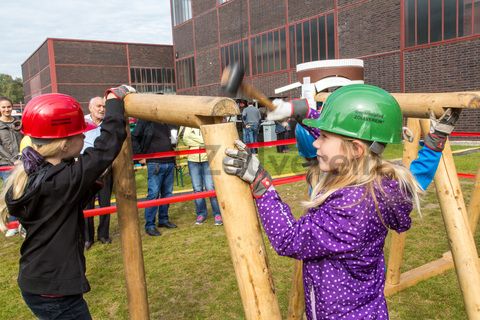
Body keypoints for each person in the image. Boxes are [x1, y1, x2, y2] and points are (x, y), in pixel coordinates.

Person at [223, 84, 458, 319]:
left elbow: (289, 240)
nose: (316, 143)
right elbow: (415, 173)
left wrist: (262, 185)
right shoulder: (379, 185)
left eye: (323, 137)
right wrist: (301, 110)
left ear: (356, 149)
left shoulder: (350, 209)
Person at [0, 85, 133, 319]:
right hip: (55, 293)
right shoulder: (60, 182)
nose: (85, 136)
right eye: (81, 134)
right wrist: (114, 100)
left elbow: (77, 178)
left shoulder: (36, 174)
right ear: (63, 144)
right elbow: (106, 145)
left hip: (38, 281)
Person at [131, 120, 177, 236]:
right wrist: (140, 156)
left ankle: (163, 220)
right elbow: (134, 137)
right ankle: (150, 225)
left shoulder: (169, 120)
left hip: (170, 161)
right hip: (154, 163)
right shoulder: (145, 121)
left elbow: (174, 141)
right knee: (153, 194)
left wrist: (174, 143)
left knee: (167, 194)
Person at [82, 96, 113, 249]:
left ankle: (103, 235)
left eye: (104, 106)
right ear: (90, 107)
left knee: (105, 204)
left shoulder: (109, 124)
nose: (102, 109)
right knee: (87, 206)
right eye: (98, 106)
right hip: (86, 171)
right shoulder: (82, 123)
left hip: (105, 171)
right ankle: (88, 238)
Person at [181, 126, 223, 226]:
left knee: (210, 187)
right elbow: (185, 140)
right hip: (193, 160)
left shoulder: (206, 125)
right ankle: (201, 213)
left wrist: (195, 139)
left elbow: (210, 141)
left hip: (207, 159)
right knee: (197, 189)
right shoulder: (187, 125)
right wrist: (202, 142)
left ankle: (217, 214)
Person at [0, 96, 23, 237]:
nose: (6, 109)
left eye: (8, 106)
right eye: (3, 107)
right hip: (6, 165)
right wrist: (13, 160)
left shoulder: (19, 122)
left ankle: (24, 223)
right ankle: (13, 224)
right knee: (11, 194)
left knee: (23, 192)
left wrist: (21, 158)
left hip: (22, 162)